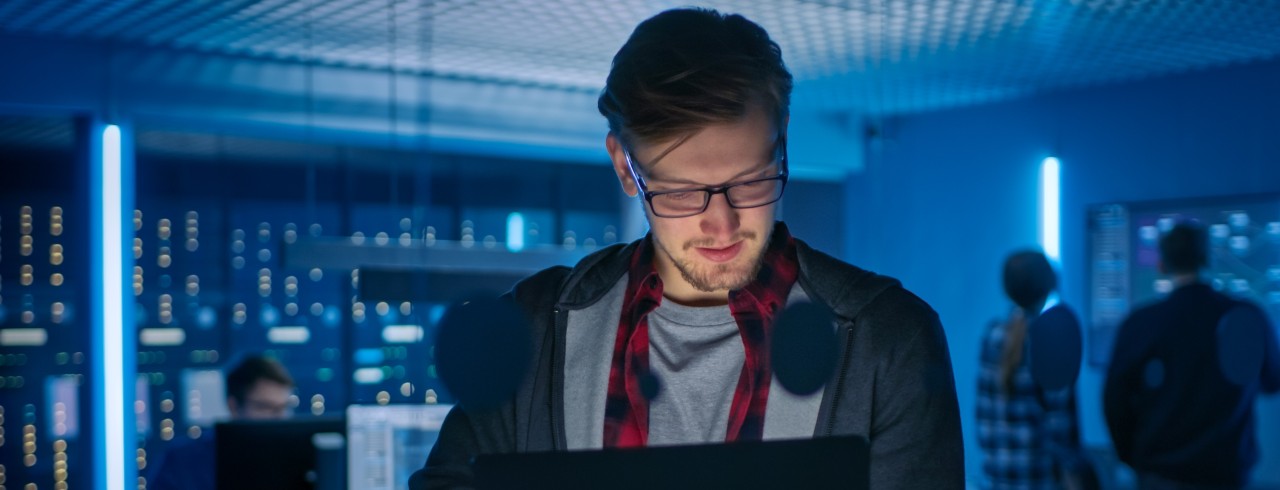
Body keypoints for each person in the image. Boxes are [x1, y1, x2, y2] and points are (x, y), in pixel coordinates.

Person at [413, 7, 962, 489]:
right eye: (680, 193)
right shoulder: (531, 330)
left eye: (751, 181)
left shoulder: (889, 341)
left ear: (783, 143)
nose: (721, 225)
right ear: (624, 168)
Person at [1104, 223, 1280, 489]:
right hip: (1227, 473)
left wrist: (1133, 457)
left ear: (1161, 265)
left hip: (1159, 472)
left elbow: (1114, 400)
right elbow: (1272, 381)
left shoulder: (1140, 323)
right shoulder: (1246, 316)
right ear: (1208, 260)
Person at [977, 250, 1093, 489]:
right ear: (1049, 285)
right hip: (1039, 479)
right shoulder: (1051, 340)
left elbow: (983, 419)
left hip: (998, 478)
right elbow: (1060, 427)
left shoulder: (992, 334)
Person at [146, 354, 295, 490]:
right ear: (234, 406)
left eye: (284, 407)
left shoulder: (298, 460)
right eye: (266, 407)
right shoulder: (182, 461)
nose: (279, 417)